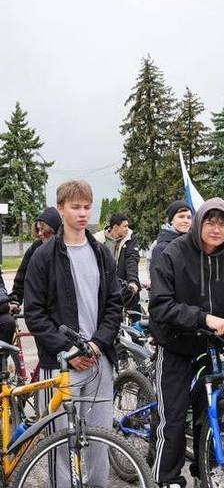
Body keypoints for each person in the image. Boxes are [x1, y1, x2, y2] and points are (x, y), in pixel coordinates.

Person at [149, 198, 224, 488]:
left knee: (208, 418)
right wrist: (205, 319)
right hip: (175, 346)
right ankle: (166, 479)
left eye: (223, 223)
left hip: (210, 350)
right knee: (172, 420)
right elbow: (160, 307)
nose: (217, 229)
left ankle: (208, 473)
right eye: (210, 222)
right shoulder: (173, 253)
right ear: (199, 223)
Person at [23, 180, 123, 487]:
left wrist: (97, 344)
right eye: (75, 207)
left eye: (87, 207)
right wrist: (69, 349)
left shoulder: (101, 253)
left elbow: (114, 304)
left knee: (99, 443)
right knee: (61, 447)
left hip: (99, 362)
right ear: (61, 209)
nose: (82, 213)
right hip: (62, 365)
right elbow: (35, 313)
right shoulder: (44, 255)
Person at [1, 207, 62, 344]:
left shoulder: (63, 248)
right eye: (38, 230)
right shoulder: (35, 247)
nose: (40, 233)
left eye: (43, 230)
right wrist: (16, 298)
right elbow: (22, 275)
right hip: (40, 310)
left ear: (53, 229)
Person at [94, 212, 141, 307]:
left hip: (124, 287)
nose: (127, 229)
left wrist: (133, 281)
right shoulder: (97, 240)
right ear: (115, 227)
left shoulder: (130, 239)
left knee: (135, 312)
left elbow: (132, 260)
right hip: (102, 288)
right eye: (125, 226)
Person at [149, 200, 193, 273]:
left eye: (189, 217)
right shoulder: (161, 248)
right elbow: (158, 279)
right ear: (171, 220)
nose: (186, 221)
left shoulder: (194, 243)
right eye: (181, 217)